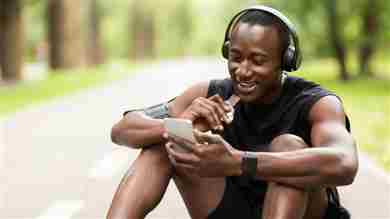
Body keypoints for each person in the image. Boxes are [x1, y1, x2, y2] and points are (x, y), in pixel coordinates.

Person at [108, 5, 358, 219]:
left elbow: (344, 163)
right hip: (233, 208)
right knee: (166, 143)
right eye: (236, 58)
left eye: (258, 61)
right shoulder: (211, 93)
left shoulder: (316, 102)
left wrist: (238, 161)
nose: (243, 71)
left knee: (289, 145)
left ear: (285, 60)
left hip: (303, 211)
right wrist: (179, 124)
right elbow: (122, 130)